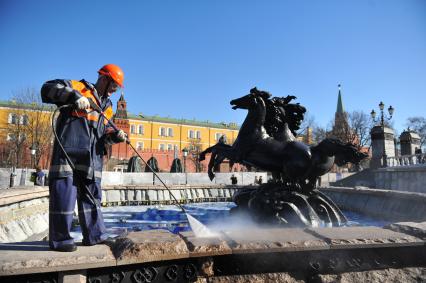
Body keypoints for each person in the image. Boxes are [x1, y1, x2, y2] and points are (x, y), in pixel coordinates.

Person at [41, 64, 127, 252]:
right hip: (68, 153)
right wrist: (73, 96)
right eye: (113, 87)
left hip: (92, 158)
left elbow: (103, 136)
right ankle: (60, 240)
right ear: (104, 79)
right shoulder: (78, 87)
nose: (113, 93)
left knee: (92, 197)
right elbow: (46, 89)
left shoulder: (108, 107)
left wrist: (115, 136)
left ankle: (95, 236)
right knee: (64, 195)